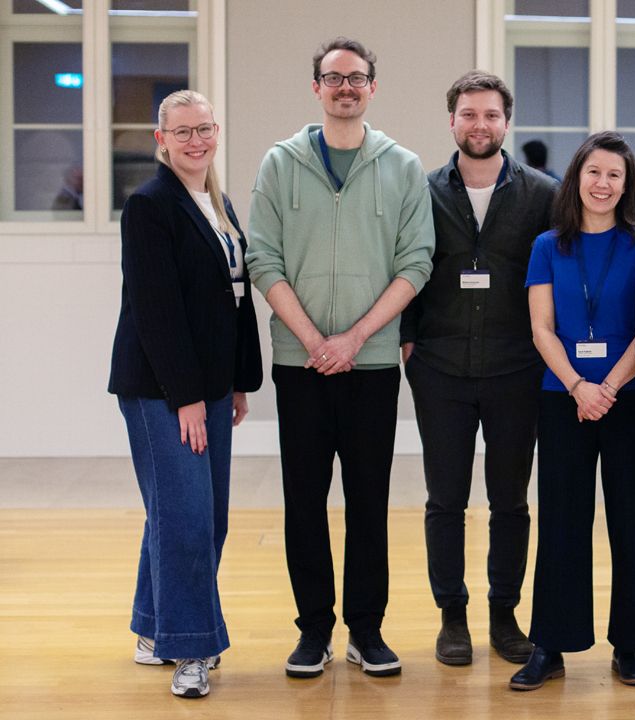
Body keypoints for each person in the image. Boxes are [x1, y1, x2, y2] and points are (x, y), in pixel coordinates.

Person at [246, 37, 434, 680]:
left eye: (356, 77)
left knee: (368, 503)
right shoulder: (280, 163)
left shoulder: (402, 166)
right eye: (334, 77)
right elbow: (263, 258)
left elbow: (416, 262)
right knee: (303, 501)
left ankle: (367, 631)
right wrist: (314, 341)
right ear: (317, 88)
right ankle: (313, 631)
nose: (345, 86)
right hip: (299, 365)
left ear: (372, 88)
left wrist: (353, 339)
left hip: (371, 364)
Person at [108, 89, 263, 698]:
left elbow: (233, 300)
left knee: (196, 515)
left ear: (216, 132)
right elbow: (157, 310)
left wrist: (236, 381)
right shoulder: (149, 206)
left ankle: (154, 628)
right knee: (188, 520)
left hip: (211, 386)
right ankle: (191, 649)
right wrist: (186, 396)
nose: (195, 141)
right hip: (162, 390)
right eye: (183, 132)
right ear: (161, 140)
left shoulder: (218, 204)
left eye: (204, 129)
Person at [400, 71, 557, 666]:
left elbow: (555, 276)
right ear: (452, 121)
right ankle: (452, 616)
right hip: (439, 368)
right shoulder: (421, 191)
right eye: (468, 114)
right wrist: (409, 345)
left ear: (506, 123)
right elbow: (404, 267)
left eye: (491, 115)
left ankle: (504, 613)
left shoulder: (543, 194)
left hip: (516, 369)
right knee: (445, 500)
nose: (480, 125)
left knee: (510, 501)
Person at [509, 131, 635, 691]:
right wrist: (579, 386)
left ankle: (630, 643)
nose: (603, 183)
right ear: (576, 178)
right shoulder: (548, 246)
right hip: (564, 397)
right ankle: (550, 644)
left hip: (631, 396)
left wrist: (609, 387)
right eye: (594, 172)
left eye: (615, 175)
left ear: (626, 185)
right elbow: (541, 328)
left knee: (633, 522)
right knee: (562, 521)